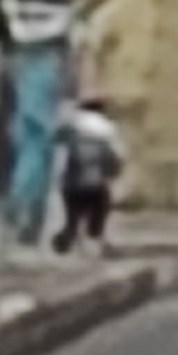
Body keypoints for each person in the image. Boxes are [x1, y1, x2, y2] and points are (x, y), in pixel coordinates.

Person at [55, 97, 123, 252]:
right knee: (99, 209)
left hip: (71, 183)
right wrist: (113, 173)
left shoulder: (71, 126)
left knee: (73, 215)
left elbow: (58, 145)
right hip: (95, 184)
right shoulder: (108, 128)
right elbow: (115, 158)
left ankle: (69, 235)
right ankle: (93, 237)